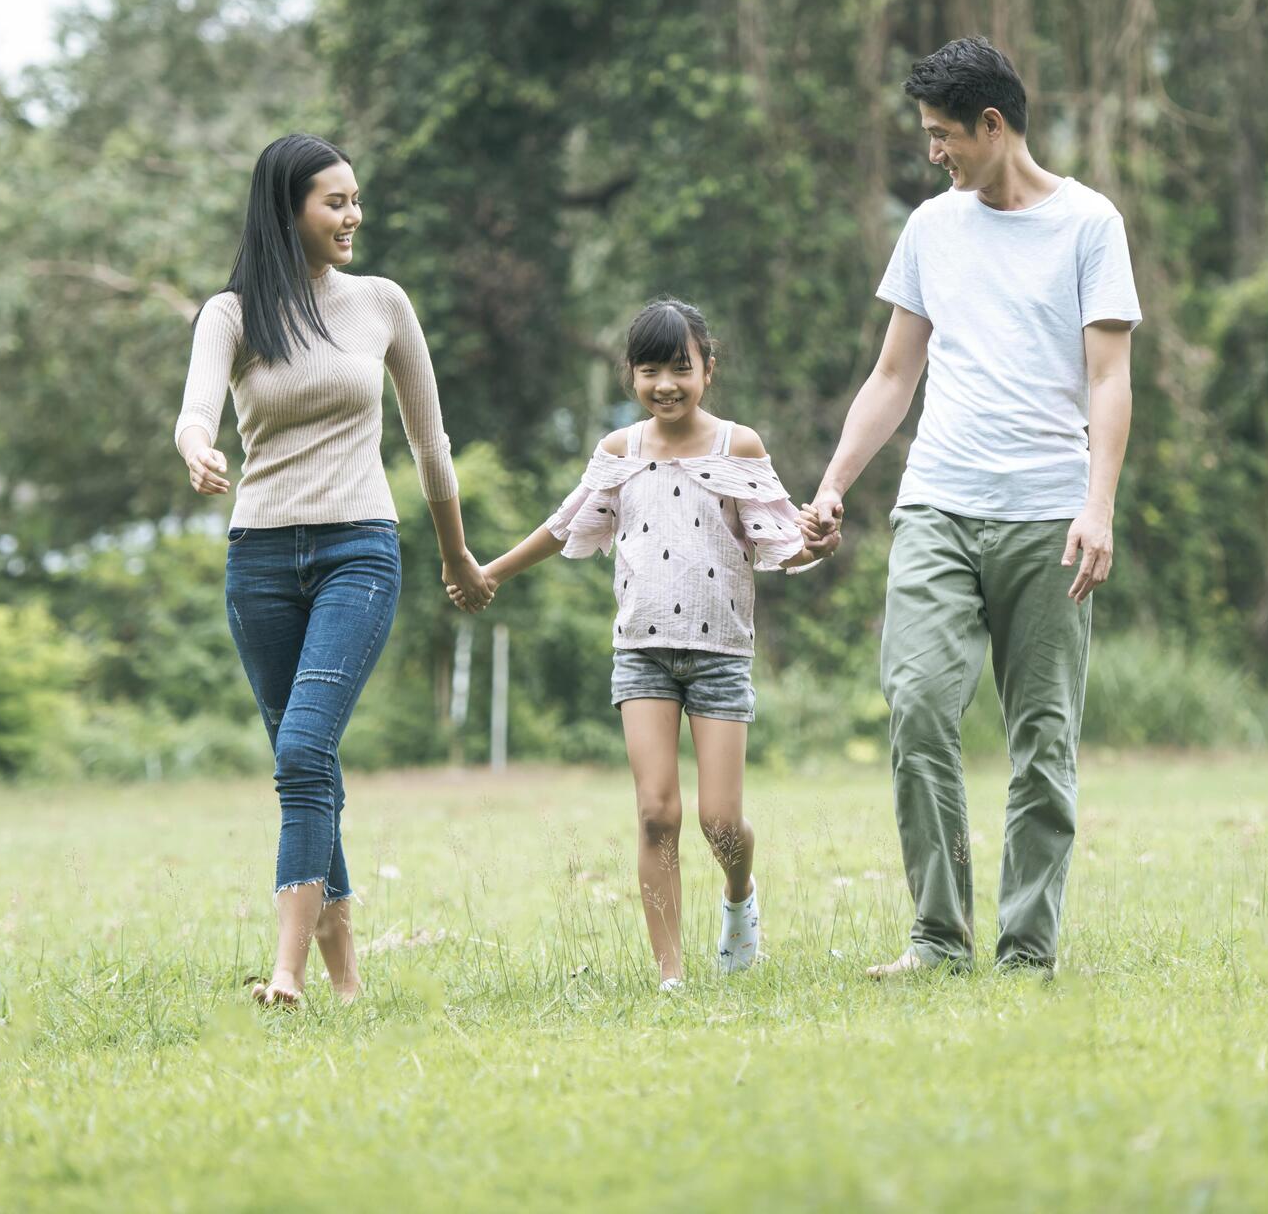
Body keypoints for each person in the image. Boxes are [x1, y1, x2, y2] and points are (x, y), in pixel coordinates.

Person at [800, 38, 1138, 978]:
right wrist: (832, 483)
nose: (933, 152)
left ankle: (1026, 949)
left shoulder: (1088, 224)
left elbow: (1108, 377)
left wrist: (1097, 506)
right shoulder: (931, 228)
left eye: (944, 135)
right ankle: (938, 938)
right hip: (938, 505)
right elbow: (893, 372)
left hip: (1045, 514)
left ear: (994, 126)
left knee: (1042, 740)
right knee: (915, 704)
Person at [174, 132, 491, 1008]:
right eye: (335, 202)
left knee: (304, 749)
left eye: (355, 199)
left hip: (360, 546)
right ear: (289, 210)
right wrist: (197, 448)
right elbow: (196, 409)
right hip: (260, 557)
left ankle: (286, 972)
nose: (354, 216)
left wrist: (454, 549)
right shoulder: (232, 315)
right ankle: (348, 982)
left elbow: (430, 442)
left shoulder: (381, 303)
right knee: (305, 763)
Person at [464, 298, 831, 990]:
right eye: (649, 369)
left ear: (707, 370)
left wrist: (818, 544)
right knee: (656, 812)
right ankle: (670, 972)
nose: (665, 383)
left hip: (720, 652)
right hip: (641, 652)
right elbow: (563, 524)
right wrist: (492, 571)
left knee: (720, 822)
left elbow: (782, 542)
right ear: (629, 375)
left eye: (680, 368)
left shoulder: (737, 447)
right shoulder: (619, 453)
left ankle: (738, 897)